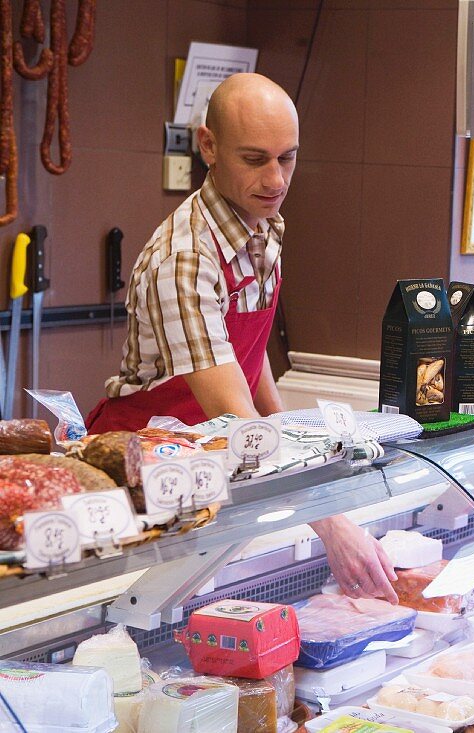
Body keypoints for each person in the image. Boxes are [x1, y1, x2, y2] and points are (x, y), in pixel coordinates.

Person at [85, 73, 397, 603]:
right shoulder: (184, 261)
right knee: (143, 619)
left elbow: (250, 367)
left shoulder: (262, 225)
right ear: (208, 144)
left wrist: (308, 451)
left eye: (288, 158)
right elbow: (232, 413)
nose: (276, 179)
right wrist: (330, 522)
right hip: (145, 471)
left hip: (213, 459)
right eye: (255, 159)